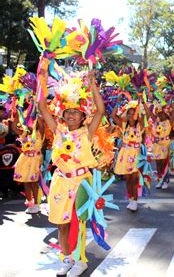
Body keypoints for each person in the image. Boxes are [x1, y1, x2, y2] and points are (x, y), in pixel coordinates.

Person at [39, 69, 105, 276]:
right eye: (68, 111)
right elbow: (42, 106)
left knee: (79, 222)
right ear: (63, 114)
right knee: (62, 223)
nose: (71, 115)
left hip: (81, 183)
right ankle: (67, 257)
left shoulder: (88, 131)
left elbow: (101, 111)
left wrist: (93, 83)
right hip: (60, 181)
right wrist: (42, 75)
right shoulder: (58, 131)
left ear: (83, 115)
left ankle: (80, 260)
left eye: (76, 112)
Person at [112, 102, 143, 211]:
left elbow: (145, 115)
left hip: (136, 154)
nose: (131, 116)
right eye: (129, 113)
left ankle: (135, 201)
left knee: (134, 179)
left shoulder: (140, 125)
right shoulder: (124, 125)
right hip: (125, 154)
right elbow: (113, 116)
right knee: (128, 179)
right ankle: (131, 199)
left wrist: (141, 101)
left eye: (133, 113)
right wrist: (118, 100)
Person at [13, 117, 45, 214]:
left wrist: (36, 109)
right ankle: (30, 202)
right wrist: (16, 111)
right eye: (28, 122)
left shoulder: (40, 133)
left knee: (34, 182)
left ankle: (36, 204)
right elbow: (14, 126)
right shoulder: (24, 133)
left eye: (32, 121)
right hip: (24, 160)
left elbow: (41, 123)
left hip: (35, 160)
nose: (30, 123)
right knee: (26, 182)